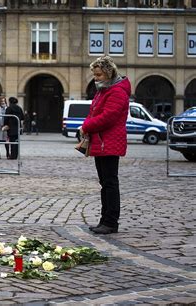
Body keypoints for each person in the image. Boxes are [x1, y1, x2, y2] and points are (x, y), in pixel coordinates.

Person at [80, 55, 131, 235]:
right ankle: (105, 220)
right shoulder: (103, 91)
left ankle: (110, 222)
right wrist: (86, 125)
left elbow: (108, 117)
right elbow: (93, 112)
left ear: (109, 73)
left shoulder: (116, 92)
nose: (96, 78)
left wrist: (86, 126)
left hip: (109, 142)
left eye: (99, 75)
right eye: (94, 75)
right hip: (101, 142)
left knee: (110, 182)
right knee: (105, 183)